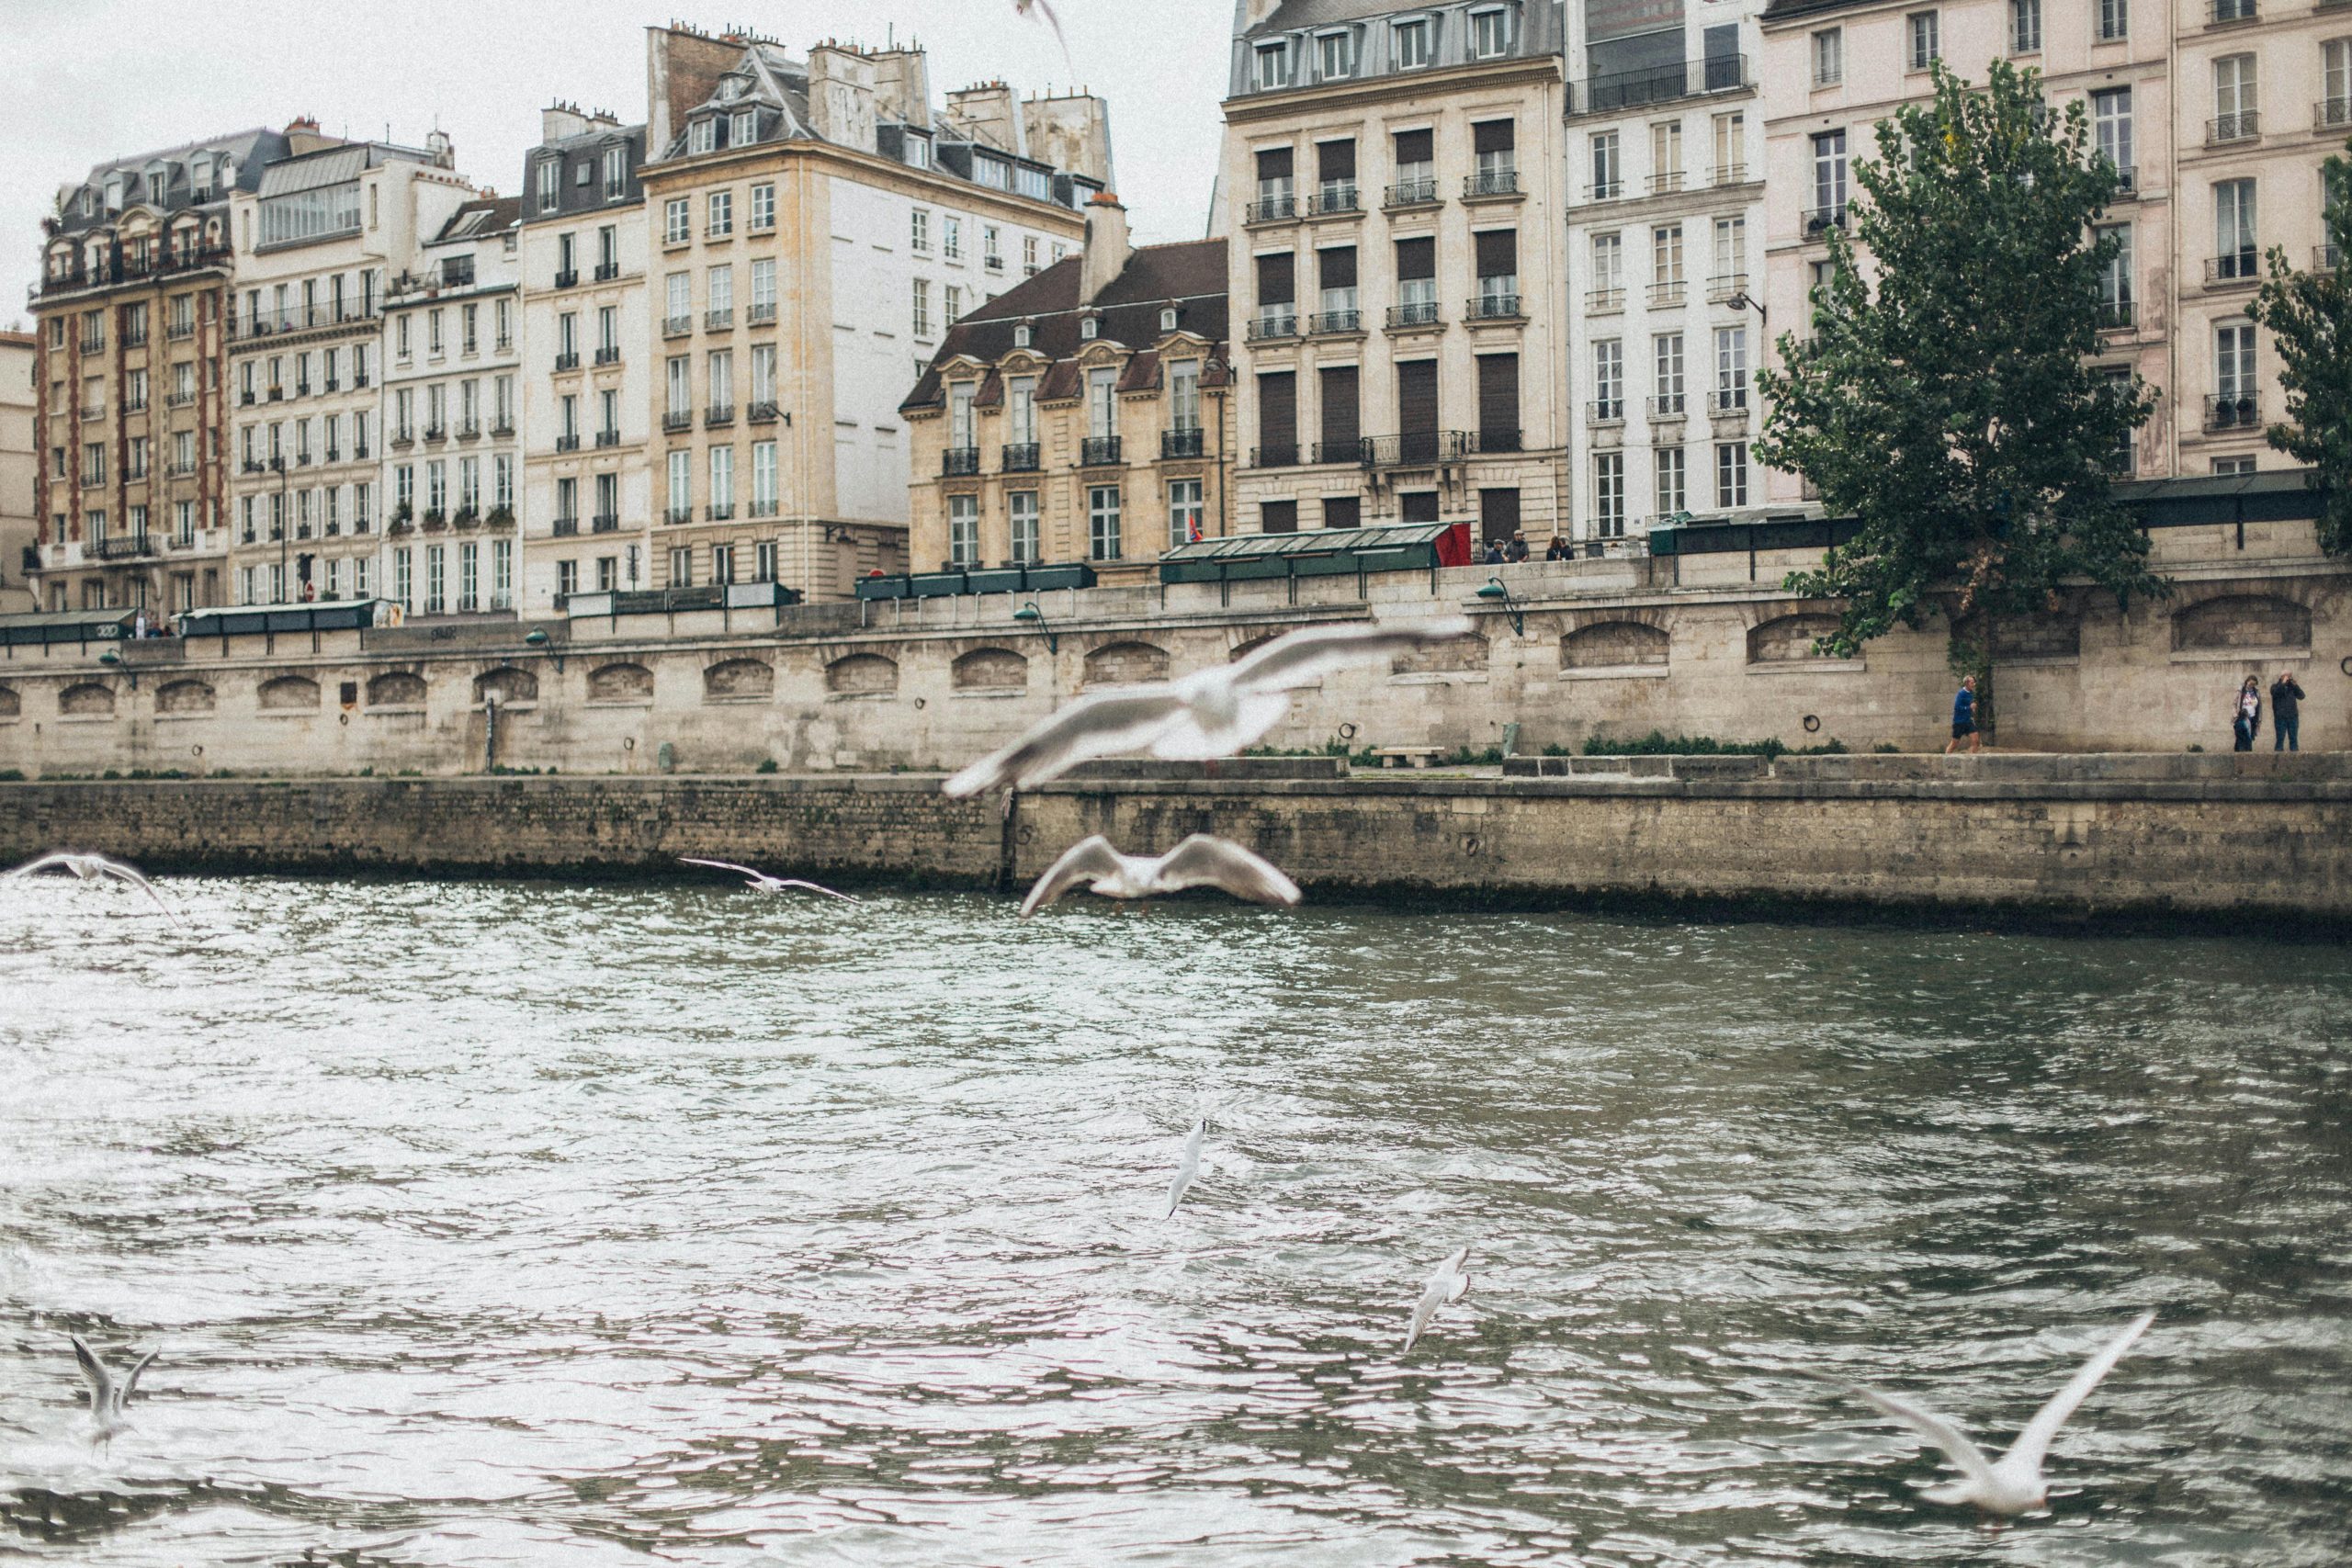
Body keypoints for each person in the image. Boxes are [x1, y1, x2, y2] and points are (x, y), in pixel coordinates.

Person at [2270, 670, 2305, 752]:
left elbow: (2302, 696)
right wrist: (2283, 683)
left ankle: (2295, 759)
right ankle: (2277, 761)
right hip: (2280, 717)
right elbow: (2275, 693)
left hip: (2293, 717)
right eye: (2287, 676)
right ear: (2282, 676)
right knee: (2280, 740)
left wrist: (2296, 686)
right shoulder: (2274, 686)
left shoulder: (2292, 688)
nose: (2289, 678)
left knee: (2293, 739)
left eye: (2290, 676)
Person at [1946, 675, 1981, 754]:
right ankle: (1946, 758)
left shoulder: (1971, 693)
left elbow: (1970, 704)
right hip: (1959, 722)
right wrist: (1969, 707)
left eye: (1974, 682)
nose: (1974, 684)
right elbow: (1957, 707)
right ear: (1966, 683)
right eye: (1972, 683)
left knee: (1976, 740)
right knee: (1954, 744)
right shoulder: (1961, 693)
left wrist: (1973, 708)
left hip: (1968, 721)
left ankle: (1973, 760)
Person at [2233, 674, 2261, 751]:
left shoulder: (2256, 692)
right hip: (2242, 717)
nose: (2252, 685)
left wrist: (2259, 719)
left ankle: (2248, 755)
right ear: (2247, 681)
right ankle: (2240, 755)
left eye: (2254, 684)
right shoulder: (2241, 690)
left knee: (2249, 738)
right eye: (2251, 684)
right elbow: (2234, 703)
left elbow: (2259, 706)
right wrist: (2235, 714)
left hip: (2252, 718)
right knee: (2241, 738)